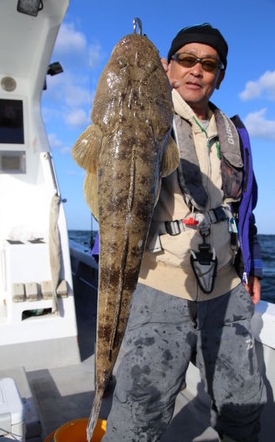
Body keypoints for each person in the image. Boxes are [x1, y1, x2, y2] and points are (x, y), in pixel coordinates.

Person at [102, 23, 266, 442]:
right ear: (167, 66)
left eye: (208, 64)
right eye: (187, 59)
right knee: (140, 412)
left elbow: (244, 209)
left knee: (243, 403)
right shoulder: (148, 116)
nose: (196, 70)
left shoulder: (234, 133)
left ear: (219, 75)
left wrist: (254, 266)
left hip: (227, 287)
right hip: (161, 285)